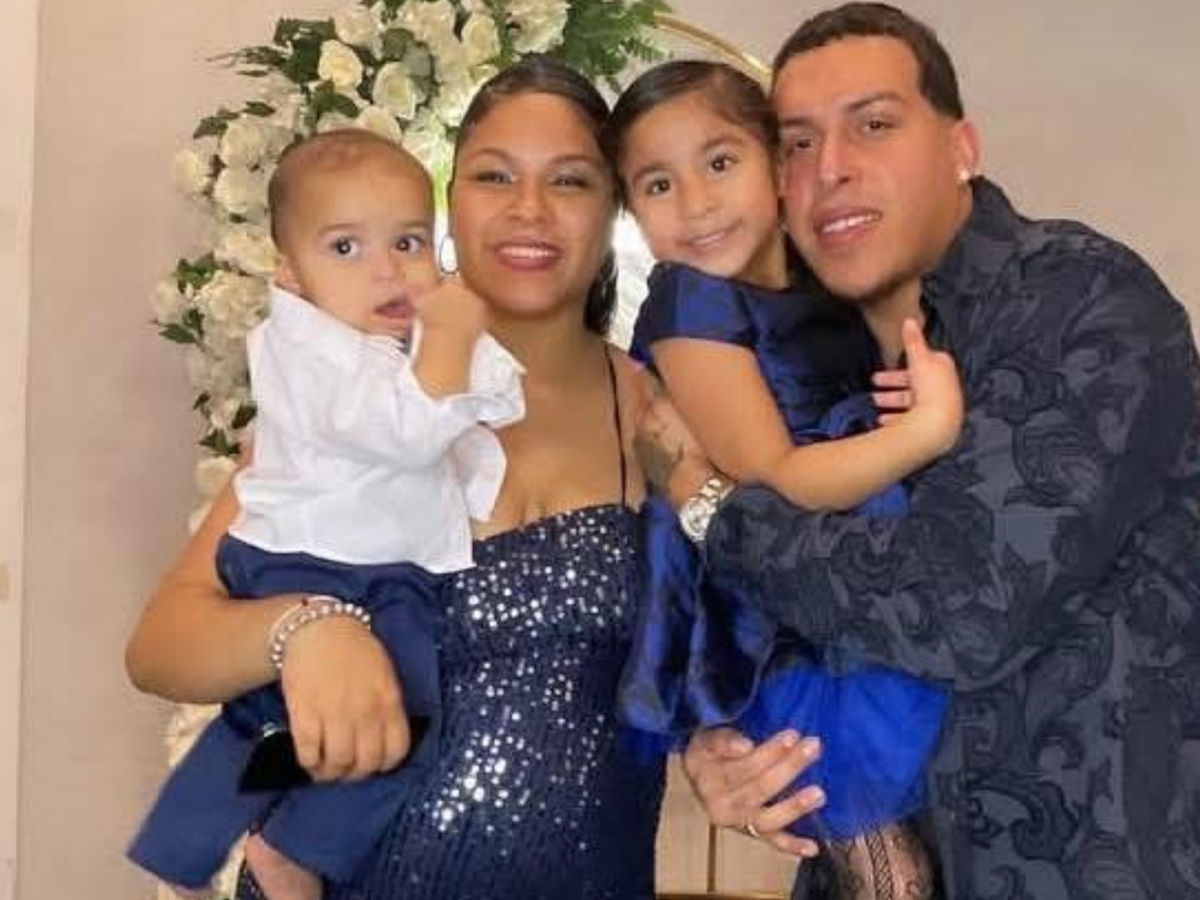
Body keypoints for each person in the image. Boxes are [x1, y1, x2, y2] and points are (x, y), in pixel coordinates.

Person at [651, 4, 1200, 899]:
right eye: (796, 143)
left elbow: (959, 606)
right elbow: (757, 625)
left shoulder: (1077, 298)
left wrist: (711, 506)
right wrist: (727, 744)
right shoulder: (787, 372)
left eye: (873, 124)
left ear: (961, 149)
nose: (830, 168)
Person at [126, 56, 673, 900]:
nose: (528, 208)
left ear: (613, 206)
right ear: (452, 202)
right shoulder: (350, 400)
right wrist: (305, 629)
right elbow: (161, 648)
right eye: (494, 176)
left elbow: (740, 631)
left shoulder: (656, 406)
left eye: (569, 179)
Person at [128, 129, 527, 900]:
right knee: (403, 725)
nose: (388, 270)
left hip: (333, 559)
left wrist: (456, 347)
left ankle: (182, 842)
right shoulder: (315, 351)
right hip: (331, 569)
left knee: (261, 717)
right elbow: (411, 432)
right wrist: (451, 341)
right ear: (290, 273)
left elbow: (486, 407)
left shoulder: (379, 344)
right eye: (346, 247)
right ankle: (296, 850)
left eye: (408, 242)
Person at [603, 59, 962, 899]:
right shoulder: (690, 304)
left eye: (719, 162)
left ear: (775, 163)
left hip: (850, 596)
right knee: (890, 875)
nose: (696, 203)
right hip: (775, 631)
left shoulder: (825, 283)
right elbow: (775, 478)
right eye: (658, 184)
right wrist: (926, 432)